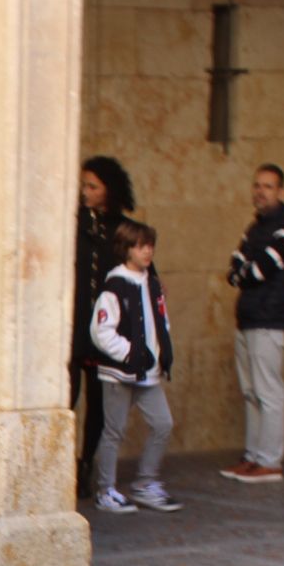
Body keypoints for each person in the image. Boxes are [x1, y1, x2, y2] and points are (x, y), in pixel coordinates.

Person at [89, 219, 182, 514]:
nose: (147, 251)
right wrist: (131, 353)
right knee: (113, 430)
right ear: (126, 249)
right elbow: (101, 330)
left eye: (150, 245)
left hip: (148, 373)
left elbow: (160, 321)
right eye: (141, 246)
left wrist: (159, 352)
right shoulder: (114, 285)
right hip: (119, 373)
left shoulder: (152, 283)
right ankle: (106, 490)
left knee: (163, 424)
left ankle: (145, 482)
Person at [222, 164, 284, 483]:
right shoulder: (254, 228)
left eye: (268, 186)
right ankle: (253, 456)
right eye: (257, 185)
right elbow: (234, 271)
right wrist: (244, 268)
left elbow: (259, 270)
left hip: (269, 319)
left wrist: (245, 268)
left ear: (281, 191)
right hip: (247, 317)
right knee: (250, 390)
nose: (260, 191)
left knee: (268, 391)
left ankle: (270, 461)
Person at [72, 156, 136, 496]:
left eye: (92, 187)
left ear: (108, 191)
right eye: (84, 185)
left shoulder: (123, 230)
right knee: (66, 397)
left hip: (106, 329)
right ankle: (61, 465)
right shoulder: (74, 223)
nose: (85, 192)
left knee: (99, 402)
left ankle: (86, 465)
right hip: (74, 327)